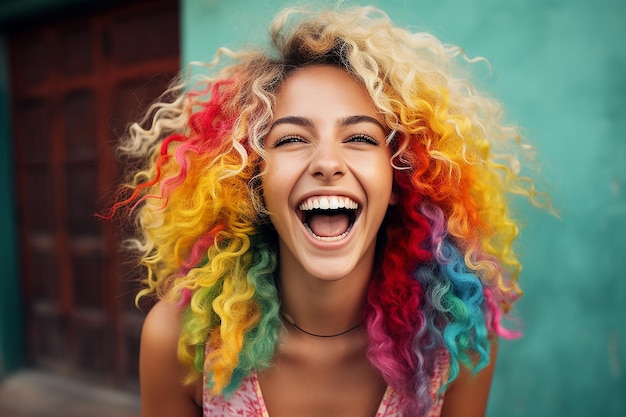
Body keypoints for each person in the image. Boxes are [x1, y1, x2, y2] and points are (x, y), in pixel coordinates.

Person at [107, 5, 548, 417]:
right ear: (254, 183)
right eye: (291, 139)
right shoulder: (182, 341)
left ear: (401, 178)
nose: (327, 163)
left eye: (359, 138)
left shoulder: (455, 343)